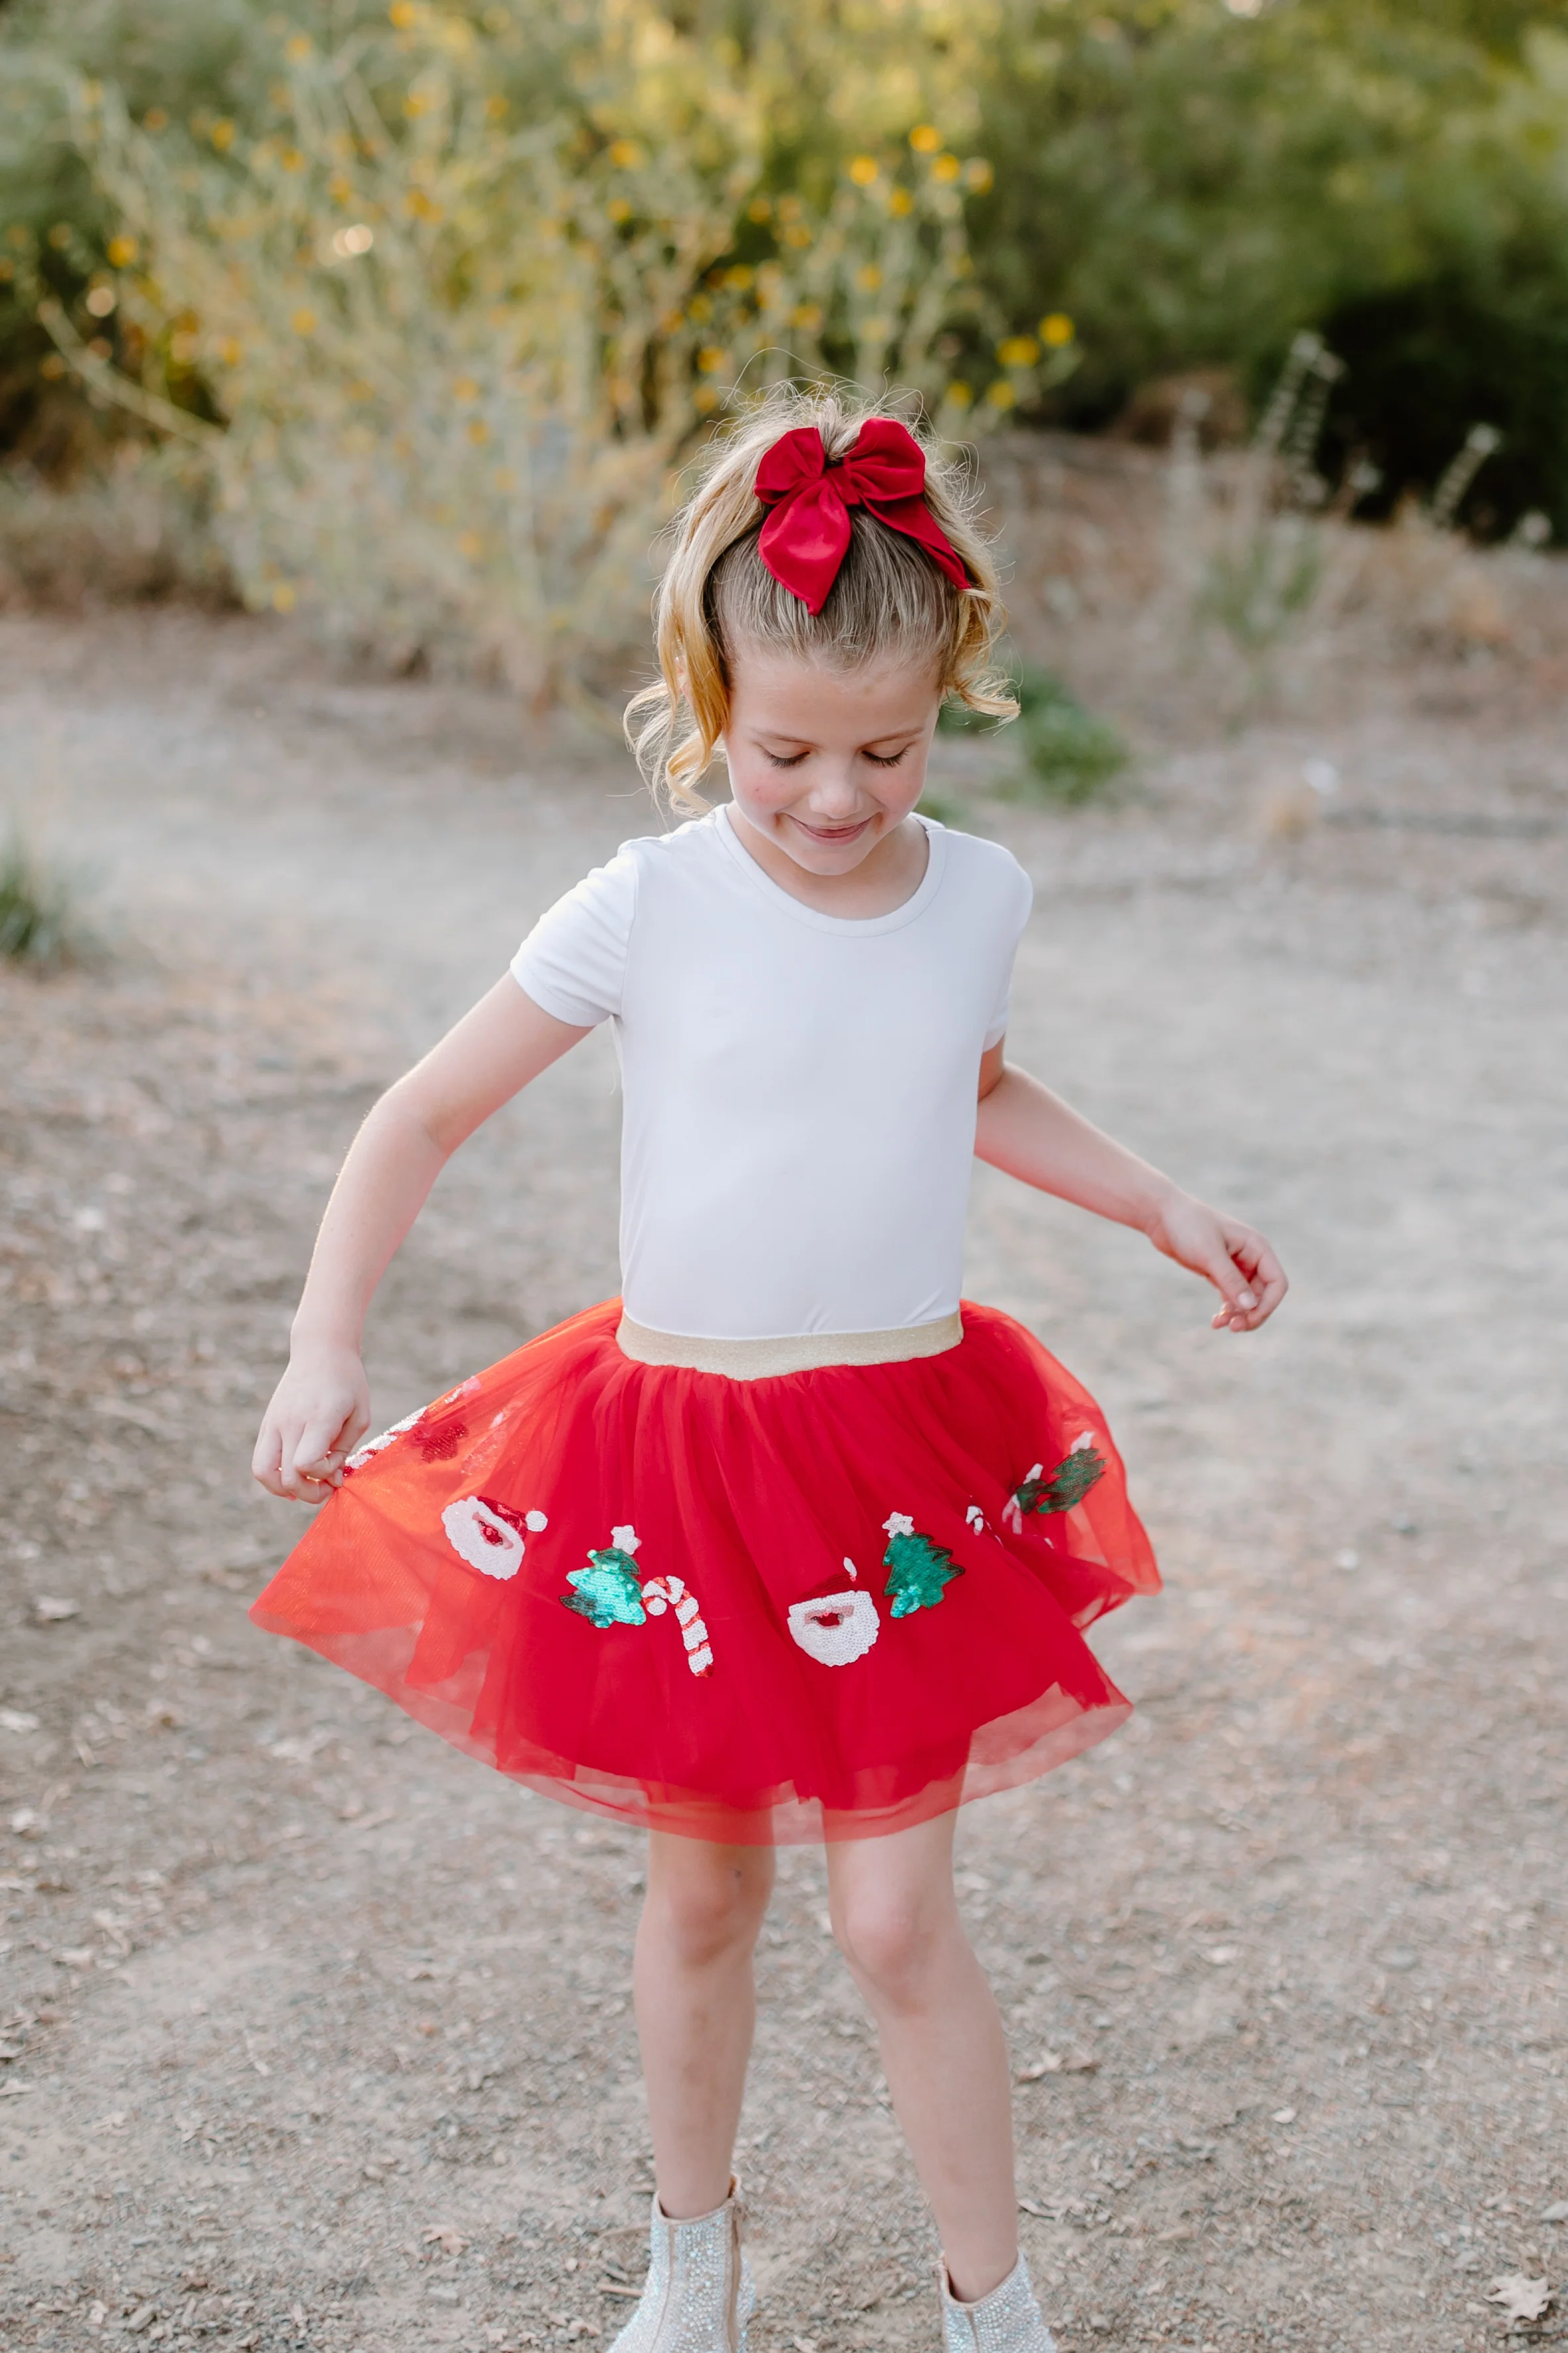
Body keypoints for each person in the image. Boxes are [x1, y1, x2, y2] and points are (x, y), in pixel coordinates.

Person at [250, 389, 1286, 2353]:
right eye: (783, 750)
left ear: (951, 699)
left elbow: (966, 1085)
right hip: (683, 1458)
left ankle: (998, 2310)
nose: (831, 797)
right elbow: (417, 1117)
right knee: (704, 1902)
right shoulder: (650, 902)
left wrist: (1157, 1199)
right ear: (706, 696)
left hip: (899, 1449)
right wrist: (326, 1348)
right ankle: (688, 2267)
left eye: (883, 751)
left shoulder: (978, 894)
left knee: (893, 1920)